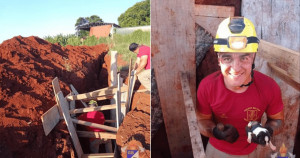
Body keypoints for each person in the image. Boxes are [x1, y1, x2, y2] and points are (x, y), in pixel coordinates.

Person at [196, 17, 284, 158]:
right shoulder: (207, 87)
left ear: (253, 56)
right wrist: (216, 132)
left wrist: (268, 130)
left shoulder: (269, 87)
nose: (236, 68)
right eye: (227, 58)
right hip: (217, 151)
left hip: (253, 151)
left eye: (244, 58)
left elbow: (277, 120)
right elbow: (201, 121)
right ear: (219, 59)